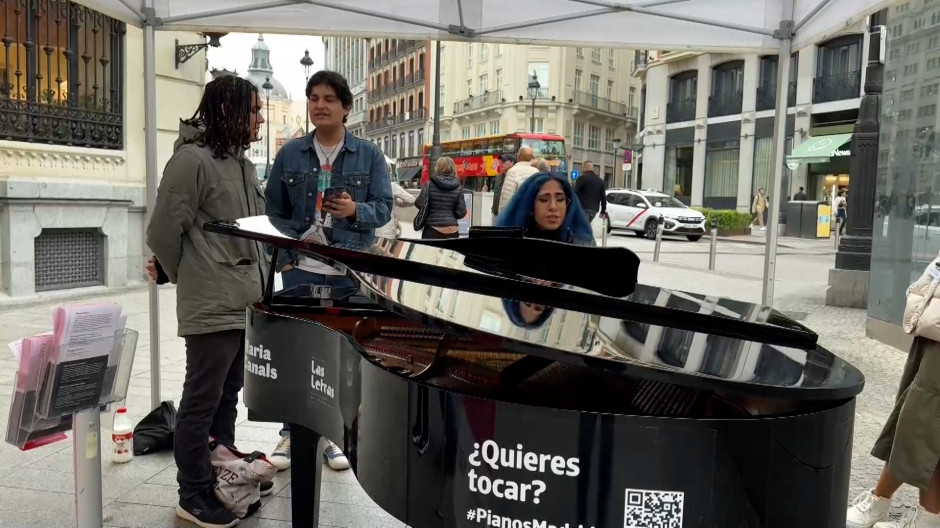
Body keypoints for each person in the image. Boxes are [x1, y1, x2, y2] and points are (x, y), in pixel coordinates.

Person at [146, 75, 267, 528]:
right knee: (201, 400)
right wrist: (185, 275)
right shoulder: (191, 161)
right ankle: (192, 492)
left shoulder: (242, 164)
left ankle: (224, 478)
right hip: (212, 304)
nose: (258, 120)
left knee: (227, 397)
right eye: (252, 111)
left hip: (244, 303)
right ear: (226, 111)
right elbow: (162, 232)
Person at [264, 70, 392, 472]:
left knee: (339, 356)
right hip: (299, 268)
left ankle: (333, 433)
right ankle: (291, 431)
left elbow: (384, 208)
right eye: (314, 98)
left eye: (329, 99)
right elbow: (273, 211)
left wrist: (356, 212)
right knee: (295, 353)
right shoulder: (291, 153)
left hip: (346, 269)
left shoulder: (368, 155)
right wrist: (285, 257)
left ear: (345, 108)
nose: (320, 105)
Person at [845, 256, 940, 528]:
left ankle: (881, 501)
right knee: (925, 422)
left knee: (920, 417)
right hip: (932, 330)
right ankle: (927, 517)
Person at [497, 171, 596, 246]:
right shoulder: (508, 243)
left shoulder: (583, 242)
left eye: (560, 199)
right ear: (529, 205)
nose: (553, 207)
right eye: (544, 199)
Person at [415, 156, 467, 239]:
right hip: (452, 230)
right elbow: (462, 212)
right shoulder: (458, 188)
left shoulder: (429, 185)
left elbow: (418, 204)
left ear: (437, 168)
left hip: (432, 230)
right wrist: (450, 216)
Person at [376, 159, 417, 239]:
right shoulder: (392, 186)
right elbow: (411, 200)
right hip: (387, 232)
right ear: (389, 173)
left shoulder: (369, 186)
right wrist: (398, 202)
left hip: (371, 231)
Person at [491, 153, 515, 219]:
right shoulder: (498, 177)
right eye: (501, 161)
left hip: (508, 214)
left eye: (504, 161)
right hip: (496, 213)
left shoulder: (514, 176)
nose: (501, 163)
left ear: (512, 163)